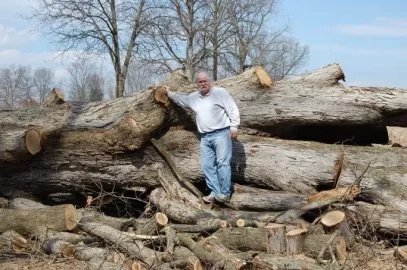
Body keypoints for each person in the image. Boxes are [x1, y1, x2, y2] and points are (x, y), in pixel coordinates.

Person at [163, 72, 240, 203]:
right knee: (207, 165)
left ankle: (224, 193)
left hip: (221, 133)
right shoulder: (194, 97)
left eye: (205, 81)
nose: (203, 84)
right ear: (197, 84)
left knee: (222, 163)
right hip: (205, 137)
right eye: (200, 82)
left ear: (209, 82)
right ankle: (214, 192)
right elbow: (182, 99)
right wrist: (169, 94)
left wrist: (234, 126)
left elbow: (233, 109)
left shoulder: (220, 93)